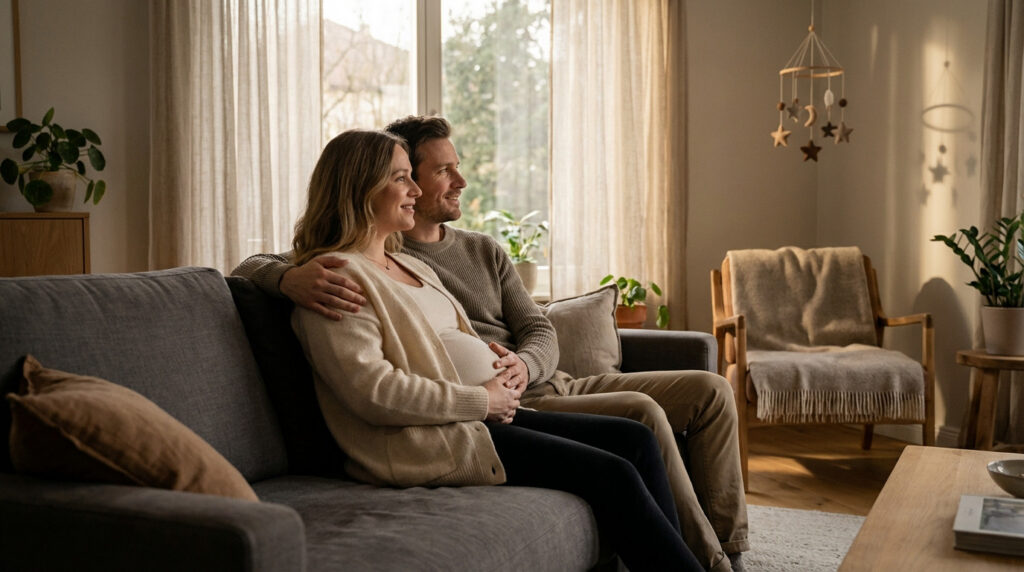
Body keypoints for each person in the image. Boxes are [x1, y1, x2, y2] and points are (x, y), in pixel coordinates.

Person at [234, 117, 747, 572]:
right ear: (360, 188)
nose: (416, 188)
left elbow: (523, 330)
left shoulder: (409, 262)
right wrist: (482, 398)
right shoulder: (334, 279)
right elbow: (373, 390)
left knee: (632, 439)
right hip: (440, 434)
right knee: (613, 471)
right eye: (403, 177)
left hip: (490, 409)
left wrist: (513, 369)